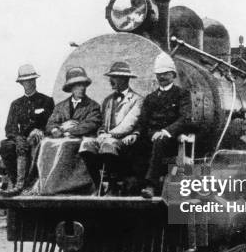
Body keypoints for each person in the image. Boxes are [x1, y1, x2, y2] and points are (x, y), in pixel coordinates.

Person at [79, 61, 144, 196]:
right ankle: (98, 185)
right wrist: (102, 132)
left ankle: (113, 187)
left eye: (114, 77)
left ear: (125, 79)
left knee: (109, 145)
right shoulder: (107, 100)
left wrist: (109, 135)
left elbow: (129, 124)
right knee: (86, 145)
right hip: (107, 138)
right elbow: (102, 124)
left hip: (126, 140)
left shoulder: (137, 99)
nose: (110, 80)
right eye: (111, 77)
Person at [35, 67, 102, 195]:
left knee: (66, 145)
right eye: (78, 85)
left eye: (83, 85)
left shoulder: (93, 106)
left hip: (81, 140)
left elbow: (91, 124)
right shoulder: (61, 106)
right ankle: (47, 186)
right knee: (45, 144)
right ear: (71, 87)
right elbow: (50, 124)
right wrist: (59, 129)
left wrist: (70, 131)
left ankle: (71, 186)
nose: (82, 88)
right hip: (62, 138)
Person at [135, 53, 191, 198]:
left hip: (171, 138)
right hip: (152, 135)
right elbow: (143, 121)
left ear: (173, 75)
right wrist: (145, 133)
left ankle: (150, 186)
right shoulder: (150, 98)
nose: (161, 77)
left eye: (165, 74)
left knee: (159, 142)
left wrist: (166, 131)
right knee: (135, 143)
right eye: (159, 74)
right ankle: (130, 184)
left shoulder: (182, 94)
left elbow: (185, 118)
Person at [0, 64, 54, 195]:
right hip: (22, 140)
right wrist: (18, 138)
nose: (29, 83)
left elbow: (52, 123)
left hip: (40, 137)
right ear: (21, 83)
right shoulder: (16, 104)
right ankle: (16, 183)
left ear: (35, 80)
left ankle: (29, 184)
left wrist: (41, 131)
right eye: (26, 81)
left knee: (36, 143)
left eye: (31, 80)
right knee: (5, 146)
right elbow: (10, 127)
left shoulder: (46, 101)